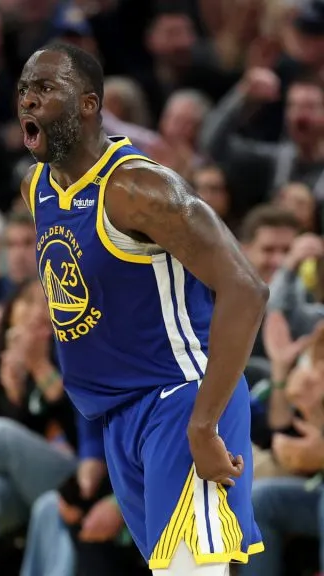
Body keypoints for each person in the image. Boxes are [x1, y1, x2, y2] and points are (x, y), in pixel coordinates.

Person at [17, 43, 266, 574]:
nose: (28, 103)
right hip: (118, 416)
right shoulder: (36, 187)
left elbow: (246, 290)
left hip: (180, 399)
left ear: (88, 104)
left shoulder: (138, 187)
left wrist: (204, 424)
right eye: (23, 92)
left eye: (44, 90)